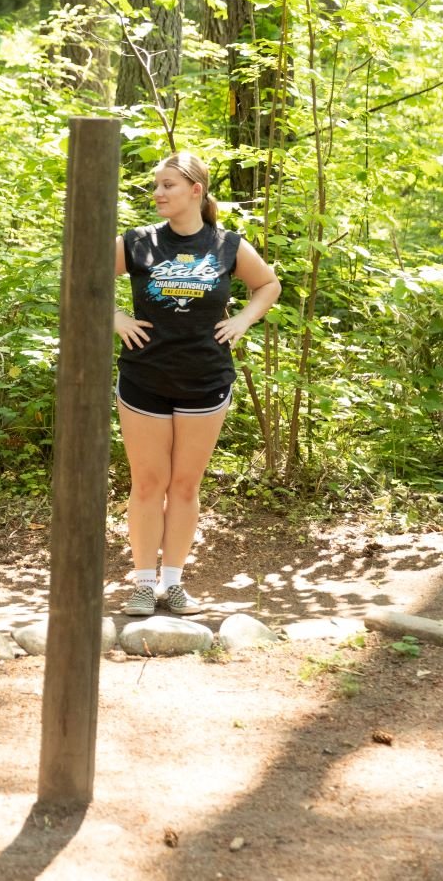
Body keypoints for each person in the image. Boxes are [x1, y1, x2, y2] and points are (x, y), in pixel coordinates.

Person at [113, 151, 280, 618]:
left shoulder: (227, 245)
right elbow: (83, 277)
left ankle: (175, 584)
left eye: (167, 185)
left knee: (185, 487)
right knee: (148, 483)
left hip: (206, 379)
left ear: (195, 191)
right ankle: (144, 586)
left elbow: (268, 285)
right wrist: (116, 317)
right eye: (156, 186)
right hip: (145, 376)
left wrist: (244, 321)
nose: (158, 193)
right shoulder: (137, 242)